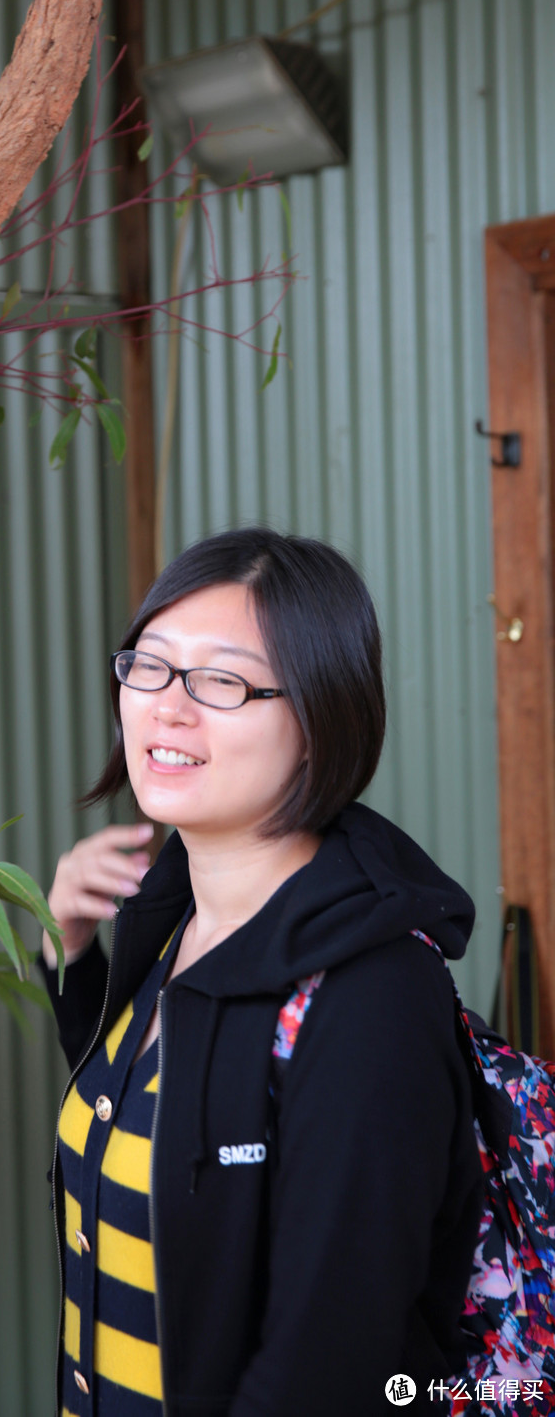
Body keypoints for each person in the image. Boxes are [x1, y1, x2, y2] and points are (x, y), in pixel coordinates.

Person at [39, 528, 484, 1417]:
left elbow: (329, 1370)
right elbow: (166, 1130)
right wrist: (72, 952)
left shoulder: (370, 1001)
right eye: (152, 667)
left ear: (321, 721)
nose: (169, 707)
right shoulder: (179, 924)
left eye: (224, 681)